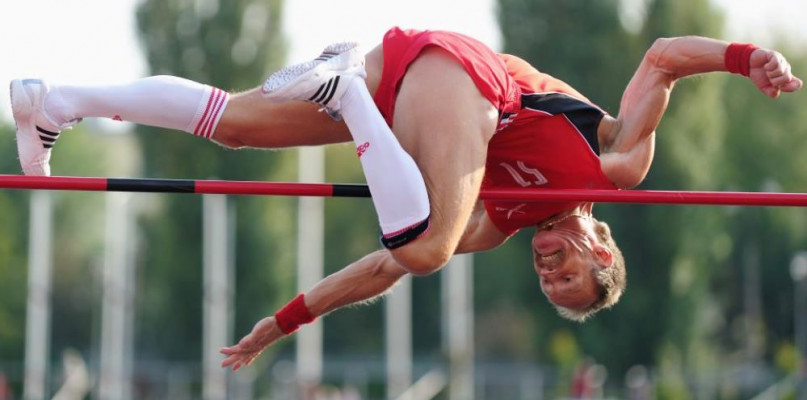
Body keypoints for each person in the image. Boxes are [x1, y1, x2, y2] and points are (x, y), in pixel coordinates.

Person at [9, 27, 802, 371]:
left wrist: (281, 323)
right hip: (467, 85)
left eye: (546, 283)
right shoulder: (617, 165)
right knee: (424, 244)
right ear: (601, 248)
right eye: (565, 274)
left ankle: (57, 100)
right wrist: (745, 57)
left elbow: (377, 270)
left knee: (238, 127)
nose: (546, 269)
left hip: (410, 76)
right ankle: (343, 93)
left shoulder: (493, 226)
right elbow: (663, 58)